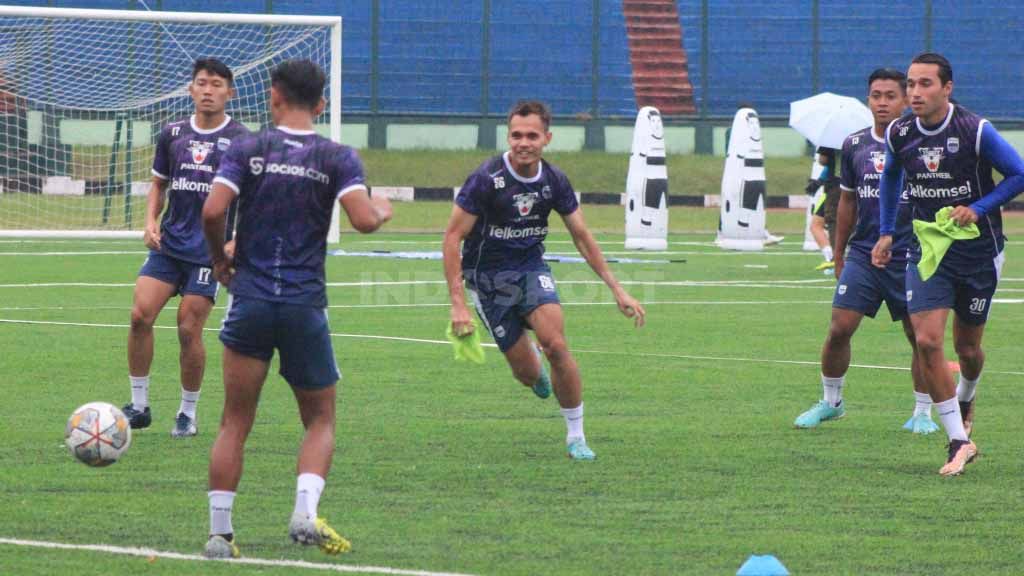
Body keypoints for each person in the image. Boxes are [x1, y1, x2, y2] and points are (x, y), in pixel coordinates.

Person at [200, 59, 393, 558]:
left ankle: (220, 534)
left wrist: (220, 258)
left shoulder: (248, 147)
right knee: (321, 419)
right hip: (304, 303)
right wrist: (384, 209)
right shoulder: (336, 157)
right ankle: (305, 512)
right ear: (322, 104)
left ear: (272, 96)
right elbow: (365, 221)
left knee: (234, 420)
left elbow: (213, 210)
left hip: (252, 301)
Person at [442, 100, 646, 461]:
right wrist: (458, 304)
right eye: (517, 135)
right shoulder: (486, 179)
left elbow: (582, 235)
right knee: (526, 374)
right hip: (487, 280)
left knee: (557, 345)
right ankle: (535, 372)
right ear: (508, 136)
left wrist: (617, 288)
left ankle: (576, 436)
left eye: (532, 135)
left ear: (547, 138)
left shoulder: (554, 181)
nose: (524, 142)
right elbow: (452, 238)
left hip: (531, 269)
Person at [872, 52, 1024, 476]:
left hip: (978, 252)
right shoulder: (901, 132)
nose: (914, 93)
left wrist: (978, 207)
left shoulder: (974, 130)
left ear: (946, 88)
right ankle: (959, 439)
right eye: (911, 84)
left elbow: (1019, 174)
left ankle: (968, 391)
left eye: (924, 84)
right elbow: (890, 178)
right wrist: (887, 231)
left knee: (968, 349)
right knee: (926, 341)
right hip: (928, 249)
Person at [794, 68, 938, 433]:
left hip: (911, 255)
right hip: (863, 253)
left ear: (905, 100)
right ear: (868, 100)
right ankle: (831, 402)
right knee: (839, 328)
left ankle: (922, 412)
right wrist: (839, 253)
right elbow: (847, 203)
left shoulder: (922, 143)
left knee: (917, 336)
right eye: (876, 95)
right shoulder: (854, 144)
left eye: (891, 95)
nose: (883, 102)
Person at [123, 59, 249, 437]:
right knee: (139, 316)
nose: (208, 90)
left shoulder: (243, 140)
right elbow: (159, 184)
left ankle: (187, 414)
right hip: (169, 245)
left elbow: (258, 198)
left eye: (216, 84)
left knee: (187, 330)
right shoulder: (173, 133)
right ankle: (139, 405)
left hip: (208, 253)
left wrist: (235, 240)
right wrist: (149, 222)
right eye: (201, 83)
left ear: (230, 92)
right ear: (191, 90)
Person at [806, 146, 840, 271]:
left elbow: (823, 160)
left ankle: (836, 259)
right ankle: (831, 258)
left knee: (832, 223)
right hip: (850, 186)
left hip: (835, 189)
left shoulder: (832, 140)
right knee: (816, 224)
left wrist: (823, 153)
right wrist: (819, 181)